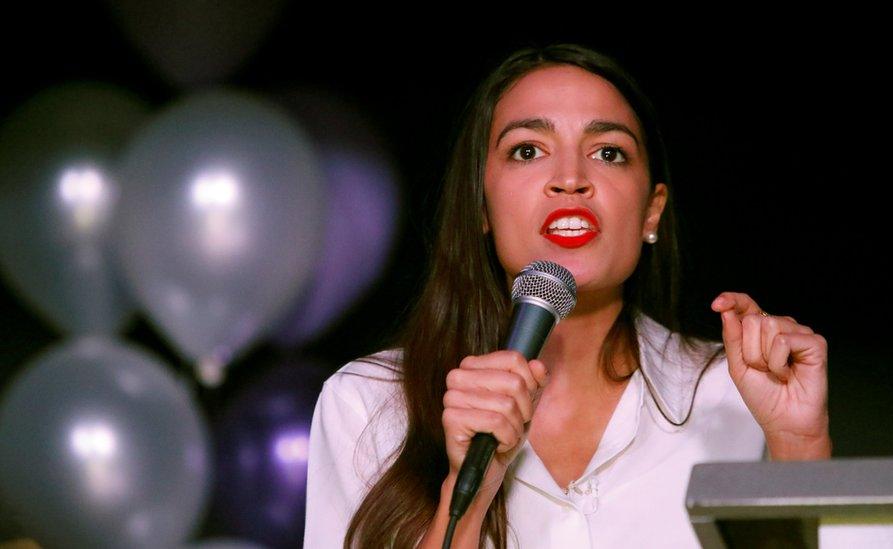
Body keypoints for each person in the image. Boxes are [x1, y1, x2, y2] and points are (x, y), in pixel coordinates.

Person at [303, 43, 831, 549]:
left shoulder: (733, 395)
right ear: (481, 206)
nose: (571, 179)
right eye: (528, 150)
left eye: (608, 152)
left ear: (651, 211)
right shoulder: (368, 403)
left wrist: (798, 446)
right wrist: (466, 488)